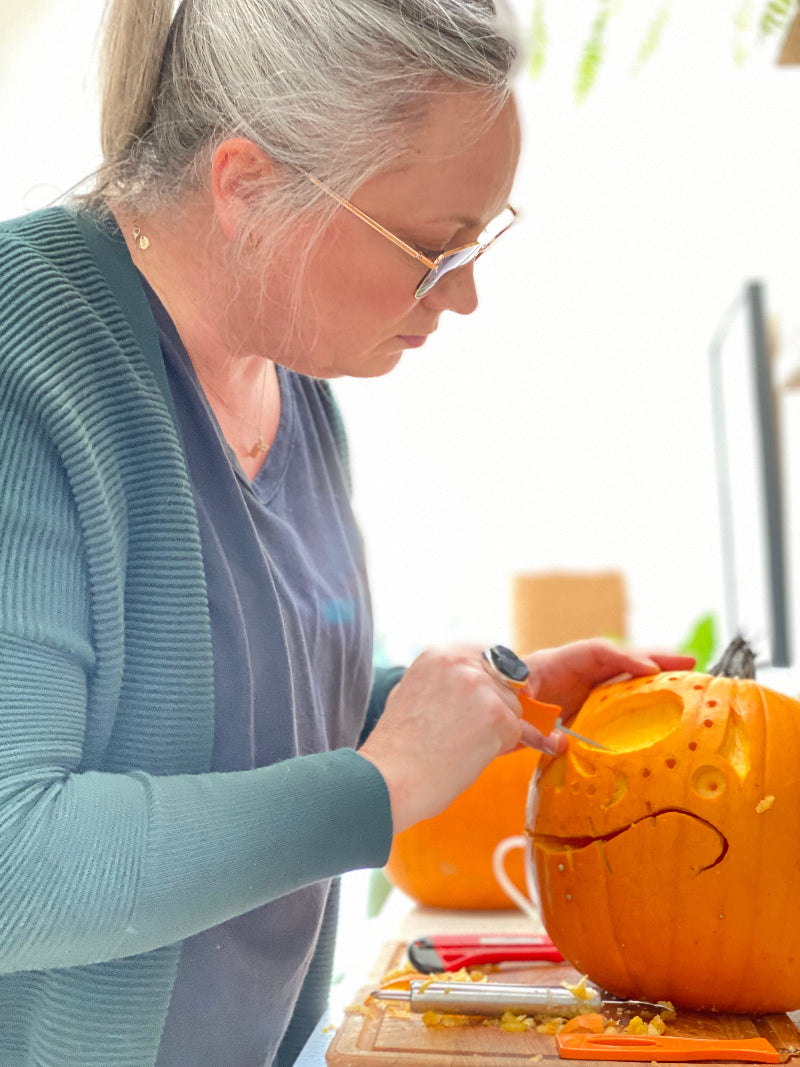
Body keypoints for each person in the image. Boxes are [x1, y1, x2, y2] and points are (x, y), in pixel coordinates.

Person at [0, 1, 694, 1064]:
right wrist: (382, 784)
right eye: (431, 247)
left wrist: (475, 705)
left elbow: (235, 714)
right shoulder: (23, 359)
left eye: (480, 238)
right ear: (248, 185)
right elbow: (19, 864)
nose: (460, 295)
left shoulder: (293, 374)